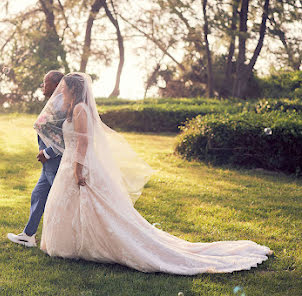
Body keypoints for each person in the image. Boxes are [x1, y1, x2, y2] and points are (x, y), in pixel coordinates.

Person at [35, 72, 273, 275]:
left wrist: (78, 170)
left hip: (78, 165)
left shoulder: (80, 110)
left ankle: (93, 245)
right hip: (69, 163)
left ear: (73, 89)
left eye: (63, 87)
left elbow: (84, 144)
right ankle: (75, 245)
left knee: (96, 209)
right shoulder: (71, 109)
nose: (60, 91)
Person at [7, 70, 65, 247]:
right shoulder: (55, 102)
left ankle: (71, 240)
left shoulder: (61, 105)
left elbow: (66, 136)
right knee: (38, 195)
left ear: (55, 85)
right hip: (48, 164)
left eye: (45, 82)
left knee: (64, 202)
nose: (42, 85)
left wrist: (47, 153)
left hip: (56, 162)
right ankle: (28, 235)